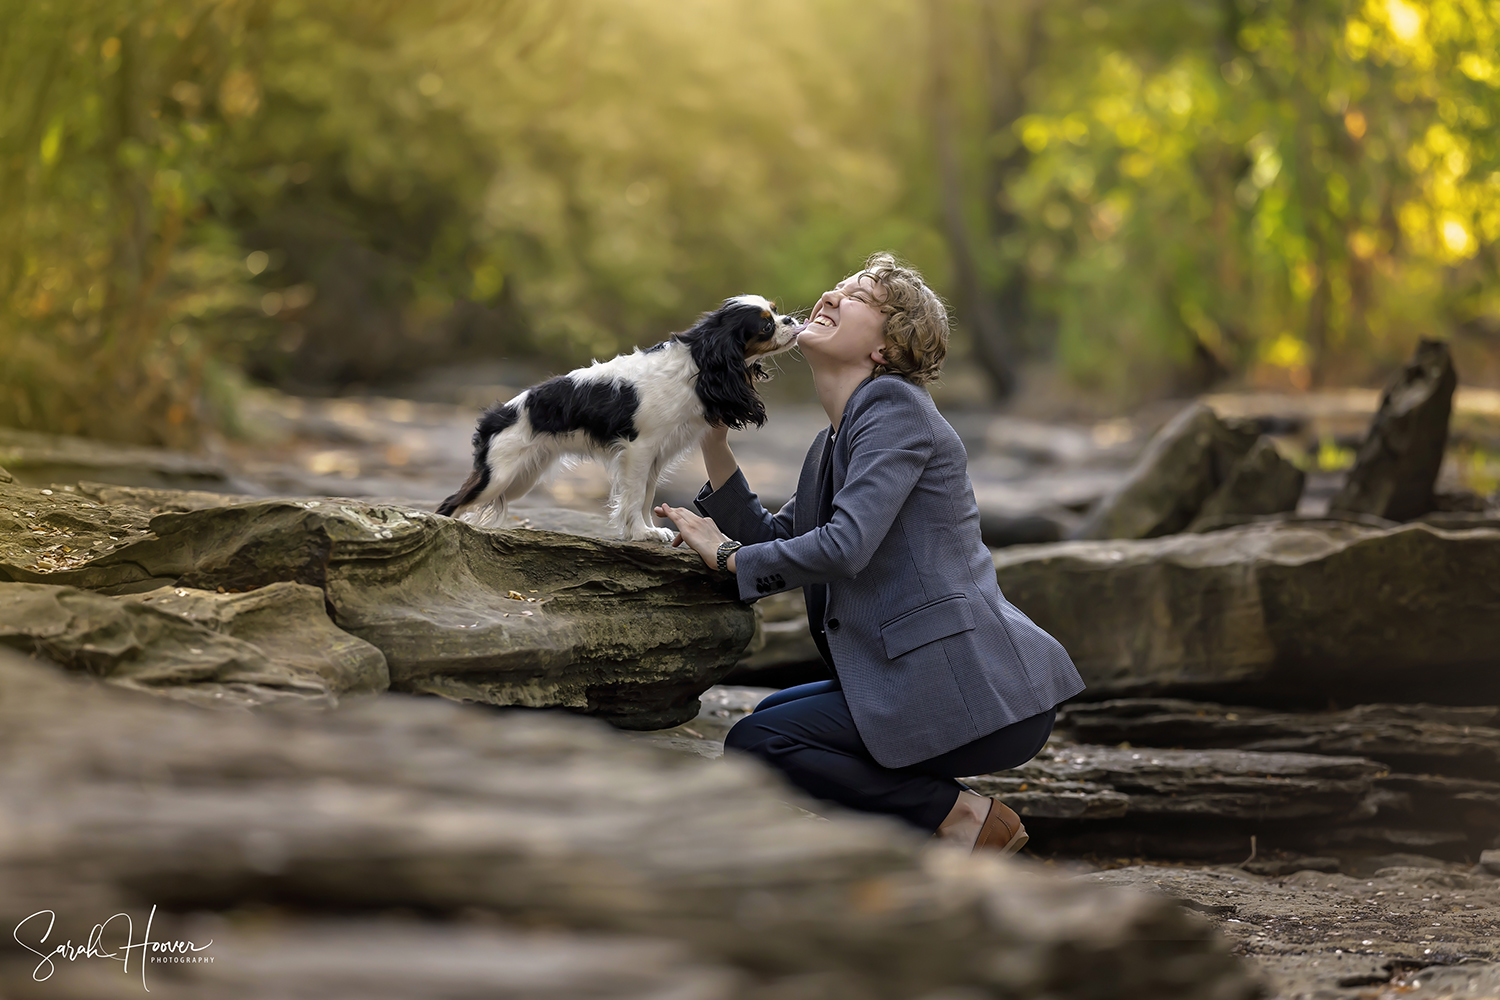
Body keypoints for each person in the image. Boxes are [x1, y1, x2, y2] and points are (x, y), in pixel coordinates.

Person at [654, 252, 1084, 853]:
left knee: (764, 744)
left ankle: (962, 819)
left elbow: (844, 546)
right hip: (932, 676)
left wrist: (726, 558)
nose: (830, 296)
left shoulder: (895, 409)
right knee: (771, 718)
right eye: (836, 287)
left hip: (976, 686)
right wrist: (715, 443)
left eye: (857, 296)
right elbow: (781, 541)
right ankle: (940, 825)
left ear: (886, 347)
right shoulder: (833, 441)